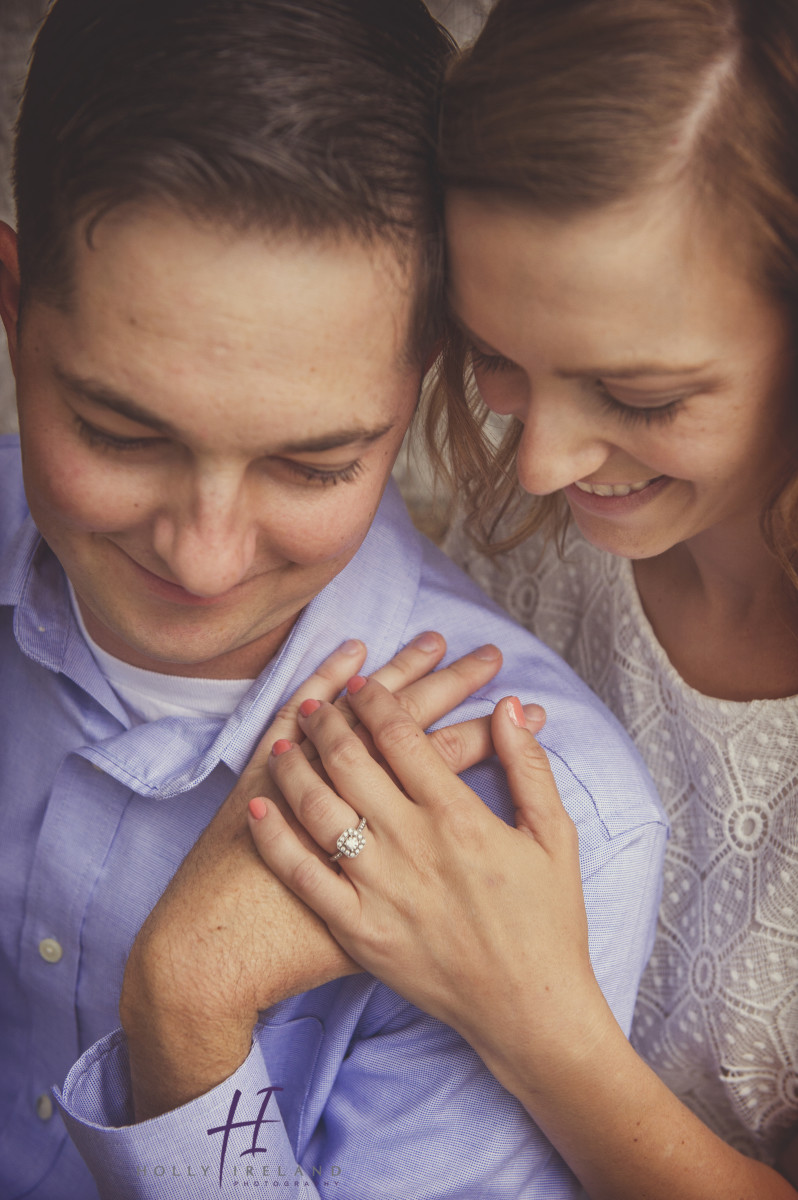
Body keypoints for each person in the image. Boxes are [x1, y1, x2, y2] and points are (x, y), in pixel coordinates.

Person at [0, 0, 669, 1196]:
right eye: (115, 432)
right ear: (10, 310)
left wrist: (189, 1020)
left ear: (425, 385)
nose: (204, 560)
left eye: (312, 465)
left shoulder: (528, 824)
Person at [246, 0, 798, 1197]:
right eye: (496, 355)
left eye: (639, 395)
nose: (541, 464)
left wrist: (529, 1017)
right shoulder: (512, 514)